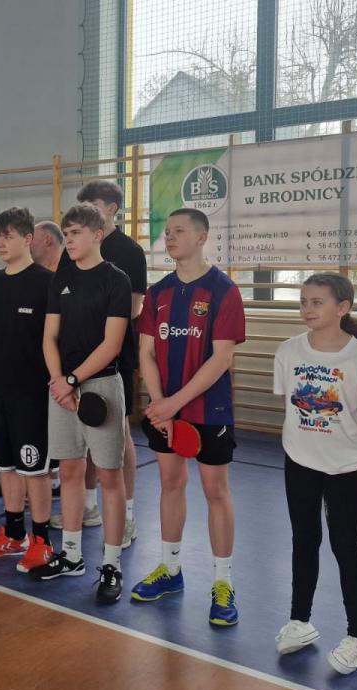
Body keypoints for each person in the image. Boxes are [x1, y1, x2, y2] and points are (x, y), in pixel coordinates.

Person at [132, 207, 245, 625]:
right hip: (165, 409)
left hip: (208, 409)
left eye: (178, 231)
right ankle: (170, 568)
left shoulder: (223, 290)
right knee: (170, 482)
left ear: (201, 237)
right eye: (167, 231)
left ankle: (223, 582)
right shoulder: (157, 293)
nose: (170, 237)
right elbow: (146, 353)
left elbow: (221, 358)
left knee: (216, 490)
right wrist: (159, 403)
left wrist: (172, 403)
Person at [272, 274, 357, 674]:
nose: (307, 308)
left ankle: (356, 637)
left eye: (317, 302)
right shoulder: (289, 350)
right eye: (303, 301)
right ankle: (299, 621)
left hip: (348, 466)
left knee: (346, 545)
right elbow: (290, 403)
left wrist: (345, 442)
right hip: (300, 460)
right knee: (304, 540)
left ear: (343, 308)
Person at [31, 204, 131, 605]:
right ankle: (71, 555)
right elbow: (48, 337)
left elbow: (112, 344)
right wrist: (60, 381)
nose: (68, 240)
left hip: (101, 386)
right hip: (62, 388)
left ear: (97, 235)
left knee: (109, 476)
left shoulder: (116, 280)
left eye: (75, 233)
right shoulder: (62, 278)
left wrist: (72, 380)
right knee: (70, 470)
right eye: (66, 233)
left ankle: (112, 565)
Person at [50, 182, 147, 550]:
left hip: (112, 360)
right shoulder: (70, 257)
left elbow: (133, 309)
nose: (85, 209)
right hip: (72, 365)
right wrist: (64, 373)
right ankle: (88, 506)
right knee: (78, 443)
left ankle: (127, 516)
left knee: (117, 441)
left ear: (111, 209)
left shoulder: (129, 253)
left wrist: (97, 336)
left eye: (91, 203)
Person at [0, 207, 54, 573]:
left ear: (28, 239)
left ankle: (42, 540)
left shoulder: (46, 283)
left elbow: (57, 339)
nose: (1, 243)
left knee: (33, 469)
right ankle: (14, 533)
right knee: (4, 465)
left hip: (32, 393)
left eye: (8, 236)